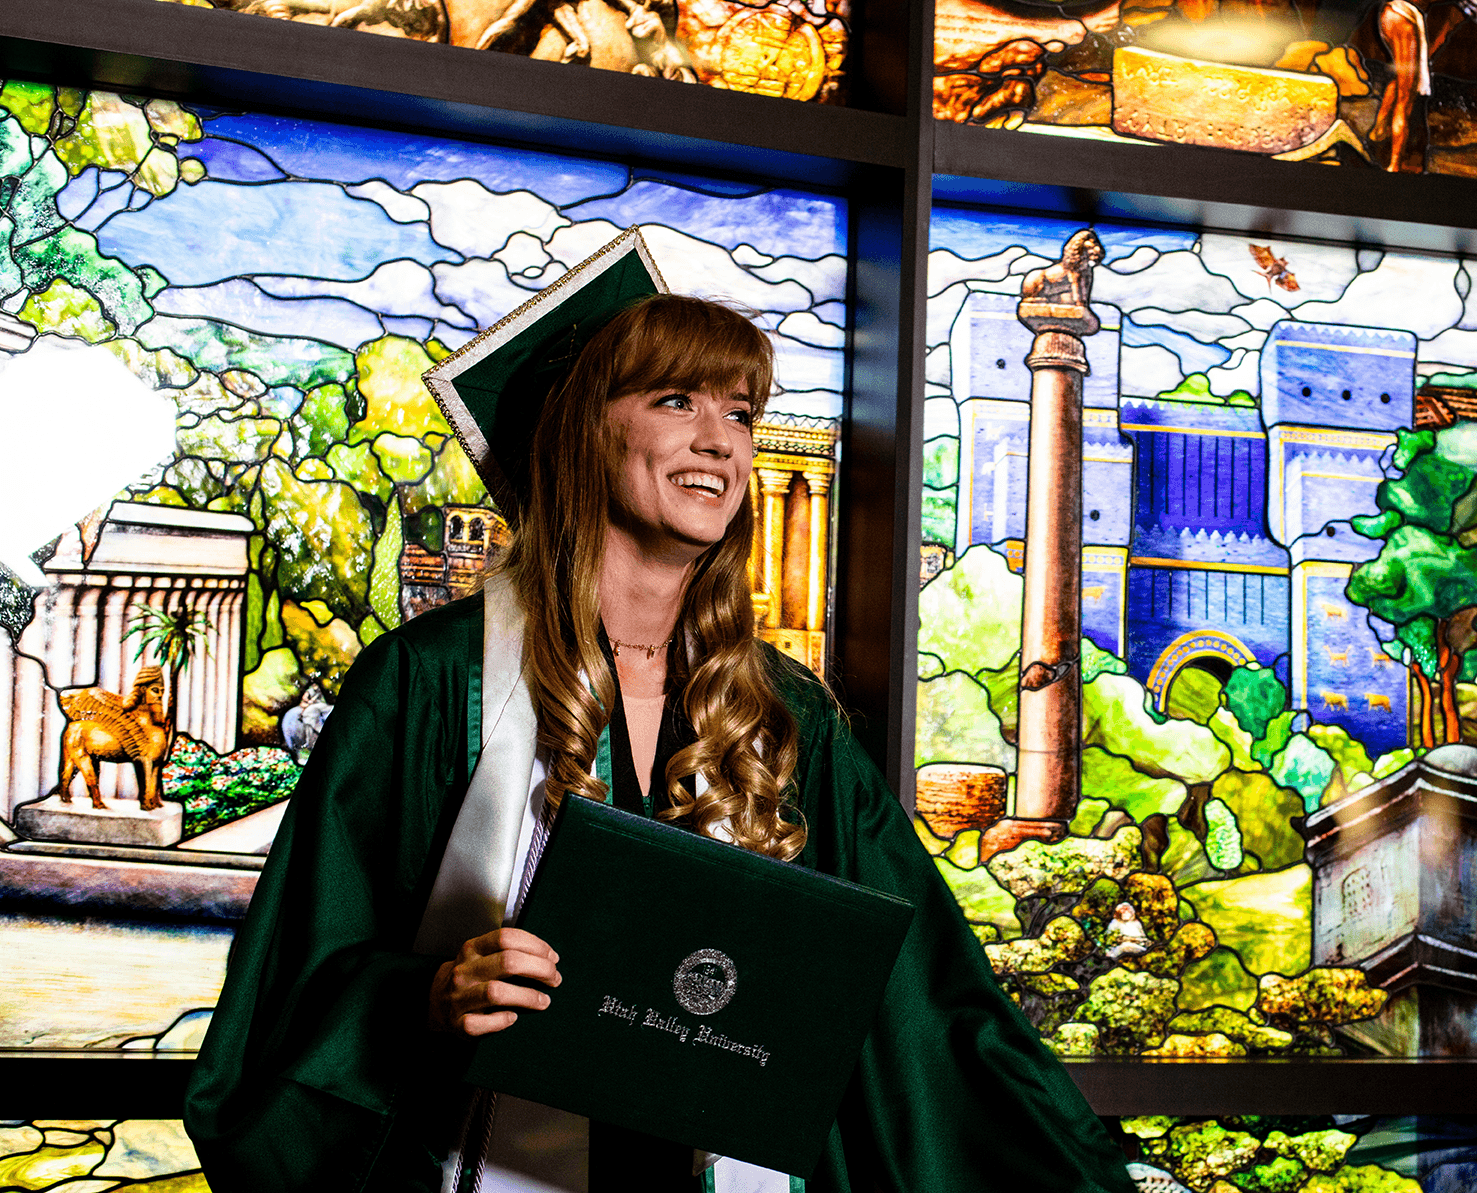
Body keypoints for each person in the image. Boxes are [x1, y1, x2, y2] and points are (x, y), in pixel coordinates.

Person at [185, 234, 1135, 1193]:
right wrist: (426, 996)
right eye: (675, 400)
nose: (720, 440)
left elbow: (927, 1004)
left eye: (740, 412)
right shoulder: (431, 684)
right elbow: (291, 985)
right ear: (584, 430)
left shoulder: (781, 715)